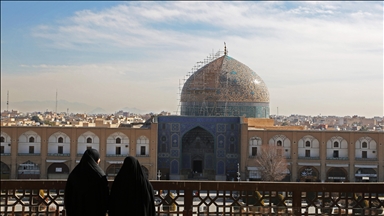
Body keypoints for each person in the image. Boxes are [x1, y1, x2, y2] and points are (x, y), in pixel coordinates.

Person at [64, 149, 109, 216]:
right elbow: (104, 197)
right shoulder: (99, 175)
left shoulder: (74, 174)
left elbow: (68, 196)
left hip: (76, 211)